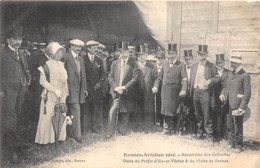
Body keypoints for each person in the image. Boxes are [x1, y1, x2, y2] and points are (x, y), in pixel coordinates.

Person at [1, 25, 31, 163]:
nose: (18, 42)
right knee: (10, 120)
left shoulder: (22, 53)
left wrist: (28, 79)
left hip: (22, 91)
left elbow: (25, 69)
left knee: (19, 118)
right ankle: (11, 150)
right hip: (8, 92)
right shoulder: (3, 54)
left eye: (19, 39)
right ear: (8, 40)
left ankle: (19, 146)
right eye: (15, 39)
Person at [35, 42, 68, 144]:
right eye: (58, 52)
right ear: (51, 53)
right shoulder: (45, 66)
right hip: (49, 95)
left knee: (61, 114)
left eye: (61, 52)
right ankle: (46, 140)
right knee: (48, 116)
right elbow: (42, 81)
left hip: (61, 95)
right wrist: (54, 90)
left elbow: (65, 81)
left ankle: (58, 137)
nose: (60, 54)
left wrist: (64, 94)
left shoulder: (62, 65)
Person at [152, 43, 187, 135]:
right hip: (165, 91)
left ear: (176, 54)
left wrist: (183, 89)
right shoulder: (165, 63)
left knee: (174, 110)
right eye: (169, 54)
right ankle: (166, 128)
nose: (170, 55)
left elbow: (184, 79)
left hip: (175, 92)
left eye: (172, 53)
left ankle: (174, 128)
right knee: (165, 110)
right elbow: (160, 76)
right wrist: (156, 86)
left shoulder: (181, 65)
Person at [219, 52, 251, 152]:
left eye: (236, 63)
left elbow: (247, 93)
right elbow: (225, 86)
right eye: (232, 62)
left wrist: (242, 107)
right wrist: (222, 94)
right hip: (228, 103)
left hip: (238, 104)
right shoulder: (229, 73)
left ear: (240, 63)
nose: (233, 64)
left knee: (238, 125)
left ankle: (238, 145)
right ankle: (231, 143)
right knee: (230, 125)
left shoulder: (245, 75)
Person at [106, 48, 138, 138]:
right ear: (120, 53)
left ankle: (122, 129)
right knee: (113, 110)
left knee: (125, 111)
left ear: (129, 53)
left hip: (126, 91)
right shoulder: (115, 63)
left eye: (126, 52)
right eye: (122, 52)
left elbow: (134, 78)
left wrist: (124, 87)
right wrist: (116, 87)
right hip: (115, 90)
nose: (124, 54)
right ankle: (110, 131)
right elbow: (110, 77)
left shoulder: (133, 64)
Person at [189, 45, 218, 142]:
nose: (202, 57)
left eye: (204, 55)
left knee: (206, 113)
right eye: (200, 54)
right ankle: (199, 133)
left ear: (207, 54)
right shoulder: (194, 66)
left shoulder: (211, 65)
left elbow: (217, 77)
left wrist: (210, 81)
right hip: (195, 92)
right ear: (197, 55)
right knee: (197, 113)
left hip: (205, 92)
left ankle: (209, 135)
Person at [63, 39, 88, 143]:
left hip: (78, 90)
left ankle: (75, 134)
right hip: (67, 88)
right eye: (76, 46)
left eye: (80, 47)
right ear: (71, 46)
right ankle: (69, 134)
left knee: (75, 111)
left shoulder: (81, 59)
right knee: (67, 111)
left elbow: (83, 75)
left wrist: (85, 88)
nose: (78, 49)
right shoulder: (65, 57)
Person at [82, 40, 105, 134]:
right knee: (86, 109)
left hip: (97, 89)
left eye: (96, 48)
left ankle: (95, 128)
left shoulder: (99, 60)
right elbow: (82, 75)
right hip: (87, 89)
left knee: (96, 109)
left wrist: (99, 84)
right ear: (88, 49)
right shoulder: (82, 59)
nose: (96, 50)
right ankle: (85, 128)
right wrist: (86, 87)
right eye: (94, 48)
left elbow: (103, 74)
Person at [135, 51, 157, 133]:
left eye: (145, 54)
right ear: (138, 55)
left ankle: (148, 126)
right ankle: (139, 126)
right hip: (137, 91)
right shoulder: (134, 64)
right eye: (141, 54)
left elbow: (156, 78)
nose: (143, 56)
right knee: (138, 109)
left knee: (148, 109)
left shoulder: (151, 66)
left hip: (148, 91)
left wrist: (155, 86)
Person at [212, 54, 229, 141]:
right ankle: (216, 135)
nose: (219, 65)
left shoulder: (228, 72)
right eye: (218, 63)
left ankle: (224, 135)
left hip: (224, 98)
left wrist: (223, 93)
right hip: (214, 97)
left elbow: (227, 86)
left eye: (221, 63)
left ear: (224, 63)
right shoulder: (213, 72)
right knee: (215, 116)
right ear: (216, 63)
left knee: (224, 116)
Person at [183, 49, 197, 135]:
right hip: (185, 92)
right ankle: (185, 127)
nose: (188, 61)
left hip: (194, 92)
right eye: (186, 59)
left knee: (194, 110)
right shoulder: (183, 67)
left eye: (189, 59)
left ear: (192, 59)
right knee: (185, 110)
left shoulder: (195, 68)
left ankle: (194, 129)